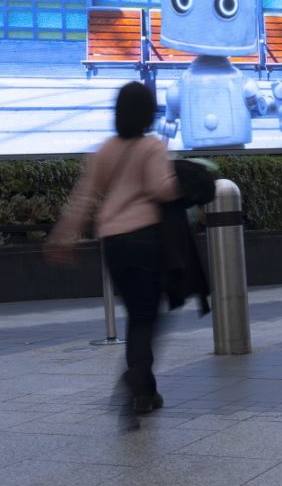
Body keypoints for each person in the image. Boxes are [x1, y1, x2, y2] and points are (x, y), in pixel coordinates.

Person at [46, 81, 180, 427]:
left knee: (137, 314)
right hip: (146, 240)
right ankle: (135, 379)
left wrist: (63, 237)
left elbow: (83, 198)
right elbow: (161, 189)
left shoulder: (105, 150)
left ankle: (146, 390)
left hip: (113, 244)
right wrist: (186, 180)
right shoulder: (152, 147)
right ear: (149, 112)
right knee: (147, 316)